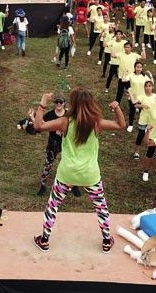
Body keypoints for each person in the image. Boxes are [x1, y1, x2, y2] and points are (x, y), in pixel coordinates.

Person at [32, 89, 125, 253]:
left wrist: (43, 103)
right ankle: (106, 241)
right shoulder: (95, 122)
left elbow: (38, 126)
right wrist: (117, 108)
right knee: (101, 208)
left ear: (72, 104)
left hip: (66, 173)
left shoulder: (65, 122)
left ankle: (44, 240)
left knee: (52, 206)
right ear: (91, 104)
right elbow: (121, 125)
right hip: (90, 174)